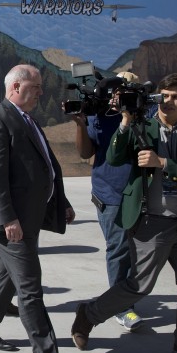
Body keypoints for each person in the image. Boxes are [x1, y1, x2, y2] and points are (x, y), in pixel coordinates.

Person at [71, 73, 177, 353]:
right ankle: (88, 314)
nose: (168, 101)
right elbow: (114, 157)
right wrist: (126, 120)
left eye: (175, 97)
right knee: (138, 286)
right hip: (151, 222)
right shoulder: (143, 126)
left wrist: (163, 163)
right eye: (164, 95)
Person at [0, 64, 78, 353]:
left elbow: (46, 166)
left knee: (7, 277)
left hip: (28, 219)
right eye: (35, 88)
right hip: (9, 222)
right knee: (30, 286)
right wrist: (8, 218)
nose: (40, 93)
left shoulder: (28, 120)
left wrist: (62, 202)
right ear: (17, 87)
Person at [71, 71, 144, 331]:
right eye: (115, 90)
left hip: (140, 191)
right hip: (109, 193)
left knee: (139, 252)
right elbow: (85, 153)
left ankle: (125, 297)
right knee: (119, 249)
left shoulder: (143, 112)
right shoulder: (97, 115)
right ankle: (120, 307)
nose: (118, 95)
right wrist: (81, 124)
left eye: (125, 90)